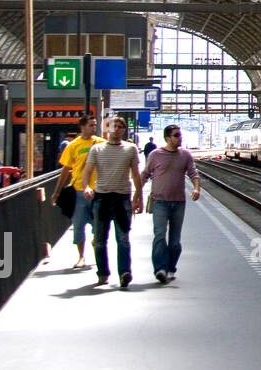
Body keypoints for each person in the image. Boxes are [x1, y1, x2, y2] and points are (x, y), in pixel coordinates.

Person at [83, 115, 143, 289]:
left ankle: (125, 272)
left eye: (120, 127)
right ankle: (103, 273)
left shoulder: (131, 149)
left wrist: (137, 197)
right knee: (100, 240)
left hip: (122, 198)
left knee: (123, 239)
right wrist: (86, 186)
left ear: (124, 130)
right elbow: (87, 171)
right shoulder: (97, 149)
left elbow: (136, 174)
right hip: (102, 198)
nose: (116, 129)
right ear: (108, 128)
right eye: (113, 126)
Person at [141, 125, 200, 284]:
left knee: (175, 242)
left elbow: (193, 173)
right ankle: (160, 269)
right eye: (176, 135)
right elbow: (145, 174)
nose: (179, 138)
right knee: (160, 236)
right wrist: (136, 194)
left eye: (179, 135)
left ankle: (171, 267)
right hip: (159, 201)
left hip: (178, 202)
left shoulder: (185, 155)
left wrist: (196, 188)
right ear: (167, 138)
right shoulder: (155, 155)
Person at [52, 115, 104, 268]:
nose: (93, 127)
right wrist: (57, 191)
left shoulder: (101, 143)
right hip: (79, 191)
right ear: (82, 127)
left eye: (94, 125)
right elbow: (66, 169)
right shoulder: (73, 146)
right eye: (90, 125)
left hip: (98, 191)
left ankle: (98, 254)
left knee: (99, 225)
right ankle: (81, 257)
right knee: (79, 224)